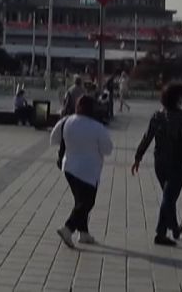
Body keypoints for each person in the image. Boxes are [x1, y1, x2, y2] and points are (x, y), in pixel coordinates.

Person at [132, 83, 182, 246]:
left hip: (159, 162)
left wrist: (138, 157)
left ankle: (174, 227)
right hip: (177, 162)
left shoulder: (157, 116)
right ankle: (160, 234)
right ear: (177, 98)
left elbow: (147, 137)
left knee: (169, 196)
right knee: (169, 197)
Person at [51, 95, 113, 249]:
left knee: (80, 202)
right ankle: (68, 229)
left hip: (69, 167)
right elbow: (107, 149)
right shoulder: (97, 127)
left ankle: (84, 233)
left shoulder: (66, 121)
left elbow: (54, 138)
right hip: (89, 171)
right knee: (87, 202)